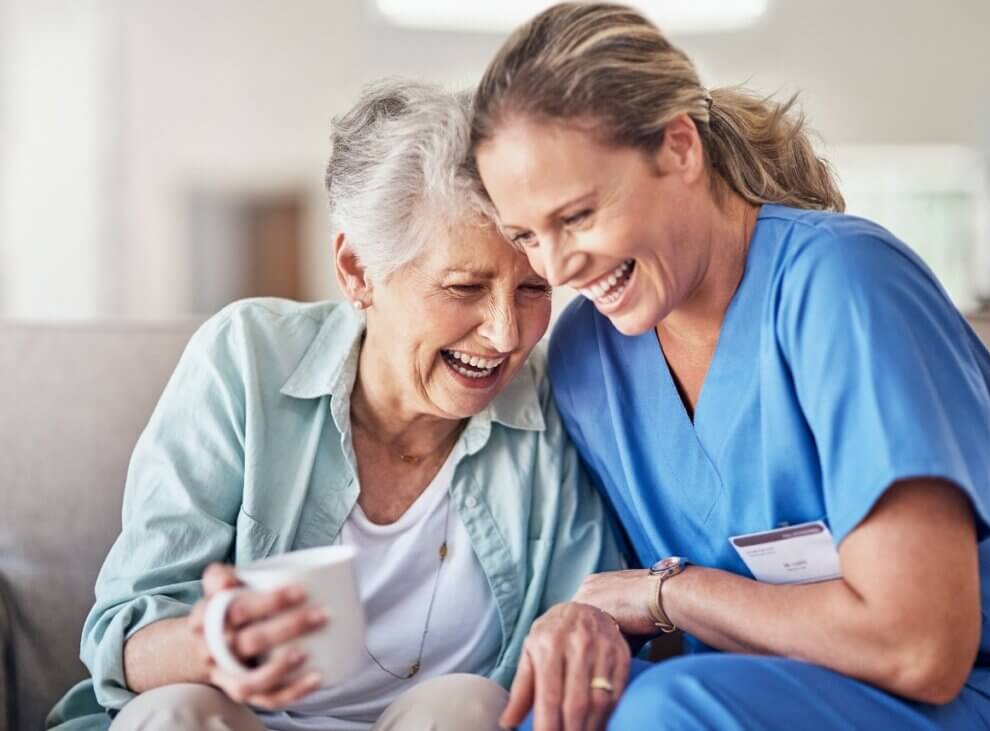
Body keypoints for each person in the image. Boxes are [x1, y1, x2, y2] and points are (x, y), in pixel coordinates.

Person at [469, 3, 990, 730]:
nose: (560, 265)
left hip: (982, 688)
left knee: (665, 710)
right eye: (526, 236)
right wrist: (592, 626)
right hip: (783, 690)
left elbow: (919, 647)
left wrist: (669, 594)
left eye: (576, 217)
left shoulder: (845, 285)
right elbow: (653, 621)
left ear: (678, 148)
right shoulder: (588, 358)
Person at [46, 79, 622, 731]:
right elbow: (123, 640)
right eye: (464, 286)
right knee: (179, 709)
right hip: (239, 719)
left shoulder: (550, 401)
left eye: (532, 288)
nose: (506, 334)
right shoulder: (246, 359)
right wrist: (213, 643)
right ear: (357, 271)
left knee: (464, 706)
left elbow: (589, 617)